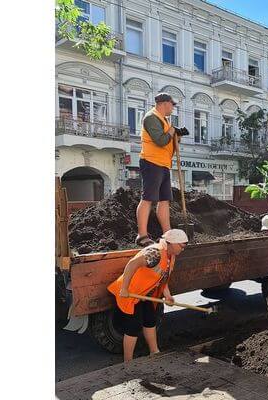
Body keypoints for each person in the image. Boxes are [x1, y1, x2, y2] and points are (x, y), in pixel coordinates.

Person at [107, 229, 188, 362]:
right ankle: (128, 361)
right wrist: (124, 288)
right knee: (134, 327)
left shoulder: (170, 256)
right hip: (131, 294)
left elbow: (163, 278)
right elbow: (132, 265)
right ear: (172, 243)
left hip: (144, 294)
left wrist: (167, 296)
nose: (182, 249)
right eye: (181, 246)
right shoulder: (155, 253)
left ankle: (154, 351)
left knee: (150, 320)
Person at [135, 92, 189, 247]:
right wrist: (172, 131)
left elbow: (167, 143)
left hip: (163, 164)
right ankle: (142, 235)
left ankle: (167, 234)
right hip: (151, 162)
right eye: (172, 105)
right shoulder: (151, 117)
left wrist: (176, 137)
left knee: (164, 200)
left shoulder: (164, 120)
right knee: (148, 198)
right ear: (165, 103)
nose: (173, 108)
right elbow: (160, 141)